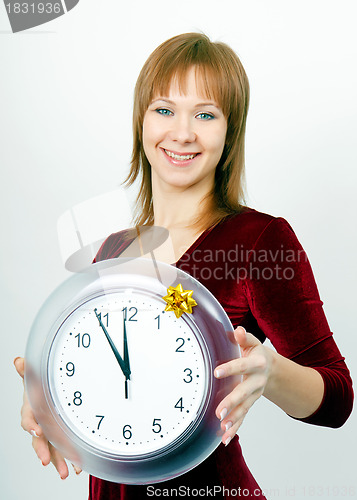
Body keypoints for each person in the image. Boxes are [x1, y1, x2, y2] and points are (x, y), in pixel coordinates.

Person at [14, 32, 353, 499]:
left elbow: (337, 399)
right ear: (141, 121)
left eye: (206, 114)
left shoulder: (259, 241)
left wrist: (270, 373)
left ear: (229, 131)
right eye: (165, 109)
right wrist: (49, 399)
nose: (183, 132)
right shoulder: (111, 251)